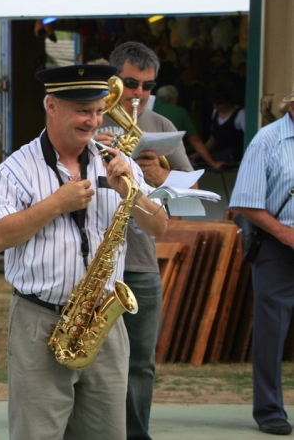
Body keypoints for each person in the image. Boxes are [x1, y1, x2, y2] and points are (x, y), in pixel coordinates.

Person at [0, 64, 167, 440]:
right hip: (40, 320)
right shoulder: (15, 169)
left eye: (99, 111)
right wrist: (54, 204)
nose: (94, 121)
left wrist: (128, 193)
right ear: (51, 106)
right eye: (84, 111)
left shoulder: (116, 161)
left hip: (103, 321)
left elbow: (158, 226)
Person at [95, 42, 194, 440]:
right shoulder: (88, 117)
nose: (138, 94)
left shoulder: (161, 127)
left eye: (147, 86)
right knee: (91, 359)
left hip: (138, 260)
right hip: (89, 258)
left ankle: (136, 434)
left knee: (140, 363)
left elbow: (191, 191)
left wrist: (160, 178)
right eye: (131, 83)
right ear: (114, 80)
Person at [230, 93, 294, 436]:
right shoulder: (267, 140)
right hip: (277, 247)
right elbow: (246, 203)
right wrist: (286, 234)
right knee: (272, 331)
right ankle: (270, 411)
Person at [154, 84, 223, 169]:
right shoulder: (180, 111)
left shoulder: (147, 109)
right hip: (169, 162)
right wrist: (213, 164)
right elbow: (195, 140)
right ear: (175, 100)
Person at [202, 81, 245, 164]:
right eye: (214, 103)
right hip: (219, 159)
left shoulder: (240, 114)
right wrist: (198, 154)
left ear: (228, 101)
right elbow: (214, 138)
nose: (216, 106)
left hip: (235, 161)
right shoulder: (215, 113)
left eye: (219, 103)